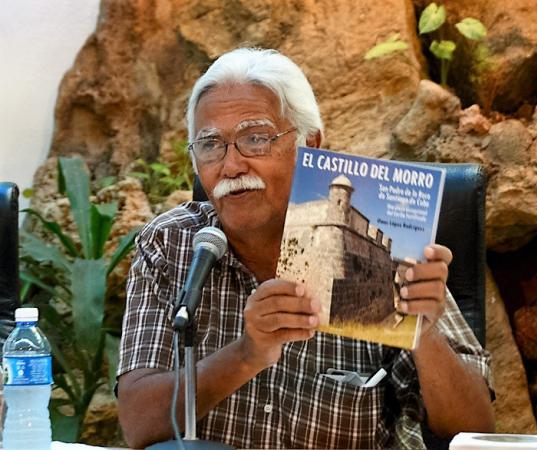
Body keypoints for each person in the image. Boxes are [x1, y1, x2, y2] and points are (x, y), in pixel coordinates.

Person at [117, 47, 495, 449]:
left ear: (309, 144)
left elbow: (474, 430)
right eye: (210, 145)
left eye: (256, 139)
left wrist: (423, 329)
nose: (231, 166)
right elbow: (139, 424)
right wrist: (247, 353)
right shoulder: (172, 244)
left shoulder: (381, 238)